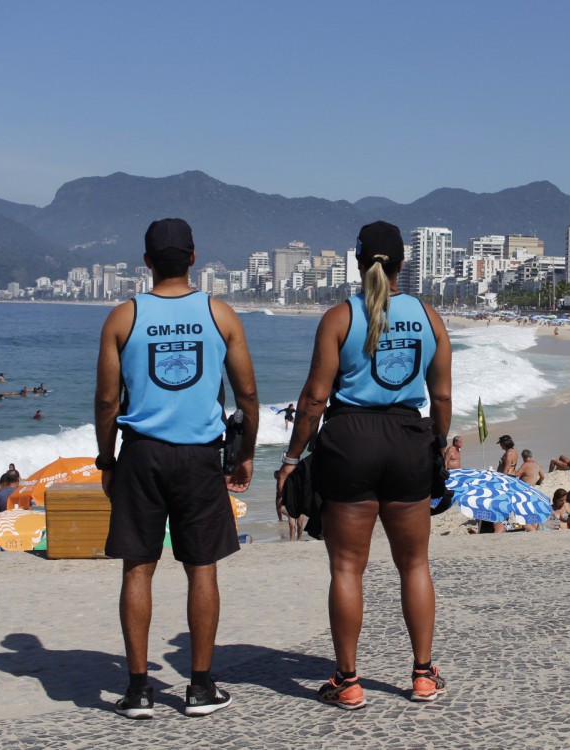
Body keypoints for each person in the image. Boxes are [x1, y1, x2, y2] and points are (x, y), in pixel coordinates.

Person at [274, 220, 452, 709]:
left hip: (349, 441)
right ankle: (422, 676)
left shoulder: (338, 318)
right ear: (402, 265)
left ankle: (348, 682)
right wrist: (437, 445)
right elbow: (441, 396)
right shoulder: (429, 318)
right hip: (408, 441)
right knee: (414, 564)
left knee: (347, 569)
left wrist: (291, 460)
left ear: (357, 262)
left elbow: (313, 399)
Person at [95, 218, 259, 719]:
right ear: (193, 258)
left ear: (146, 262)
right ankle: (201, 687)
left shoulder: (123, 317)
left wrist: (107, 459)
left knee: (138, 567)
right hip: (198, 457)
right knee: (200, 566)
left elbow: (106, 400)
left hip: (142, 454)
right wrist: (246, 451)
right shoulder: (220, 314)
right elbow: (248, 394)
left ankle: (139, 689)